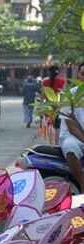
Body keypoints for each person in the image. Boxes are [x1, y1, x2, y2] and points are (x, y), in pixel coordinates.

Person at [59, 62, 84, 192]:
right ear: (78, 76)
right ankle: (81, 183)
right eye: (83, 74)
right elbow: (71, 126)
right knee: (70, 147)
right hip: (73, 136)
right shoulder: (69, 95)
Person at [42, 65, 66, 144]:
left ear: (49, 72)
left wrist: (42, 105)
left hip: (48, 105)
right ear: (57, 72)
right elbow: (62, 95)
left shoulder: (45, 82)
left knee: (49, 124)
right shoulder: (62, 81)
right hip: (58, 106)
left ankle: (50, 142)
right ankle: (56, 143)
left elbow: (43, 95)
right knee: (57, 126)